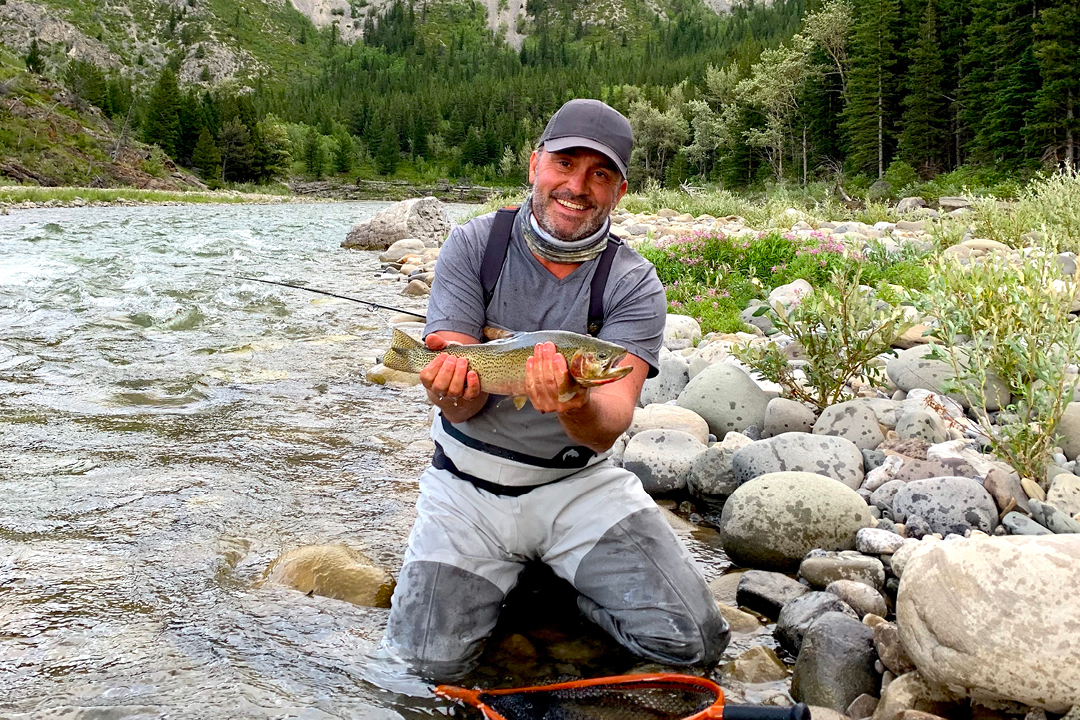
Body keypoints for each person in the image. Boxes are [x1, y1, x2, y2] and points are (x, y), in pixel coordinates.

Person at [380, 99, 729, 682]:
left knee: (694, 643)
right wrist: (446, 388)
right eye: (565, 164)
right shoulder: (475, 245)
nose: (577, 185)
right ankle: (528, 583)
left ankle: (555, 593)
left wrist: (573, 400)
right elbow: (459, 404)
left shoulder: (634, 283)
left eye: (600, 174)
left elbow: (609, 424)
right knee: (423, 669)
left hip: (577, 487)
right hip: (465, 491)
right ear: (535, 164)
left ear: (619, 191)